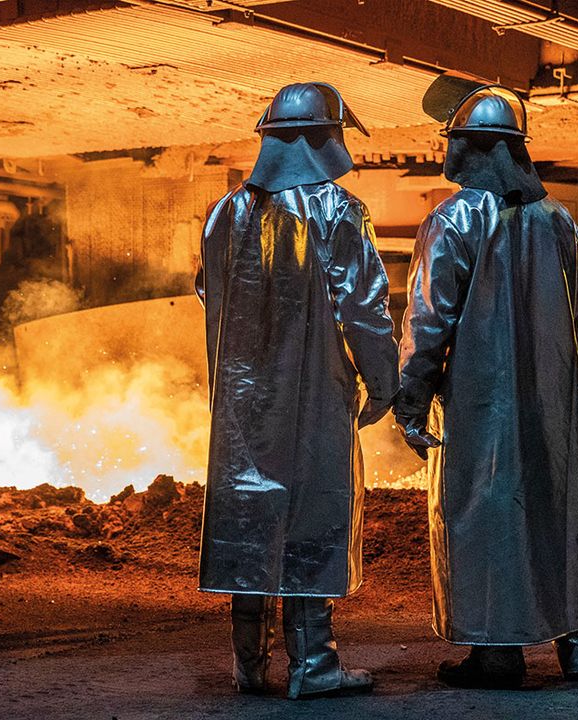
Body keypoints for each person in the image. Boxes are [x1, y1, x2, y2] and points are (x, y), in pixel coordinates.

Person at [194, 82, 399, 700]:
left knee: (250, 515)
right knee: (310, 514)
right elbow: (364, 307)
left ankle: (248, 665)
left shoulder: (226, 213)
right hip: (312, 393)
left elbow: (211, 293)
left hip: (240, 400)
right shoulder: (338, 210)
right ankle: (314, 666)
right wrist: (385, 383)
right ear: (324, 140)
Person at [395, 81, 578, 689]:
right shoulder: (559, 220)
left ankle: (497, 652)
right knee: (553, 504)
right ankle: (574, 641)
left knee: (487, 511)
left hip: (482, 399)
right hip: (551, 391)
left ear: (470, 147)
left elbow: (429, 320)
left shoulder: (454, 218)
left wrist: (409, 396)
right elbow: (574, 310)